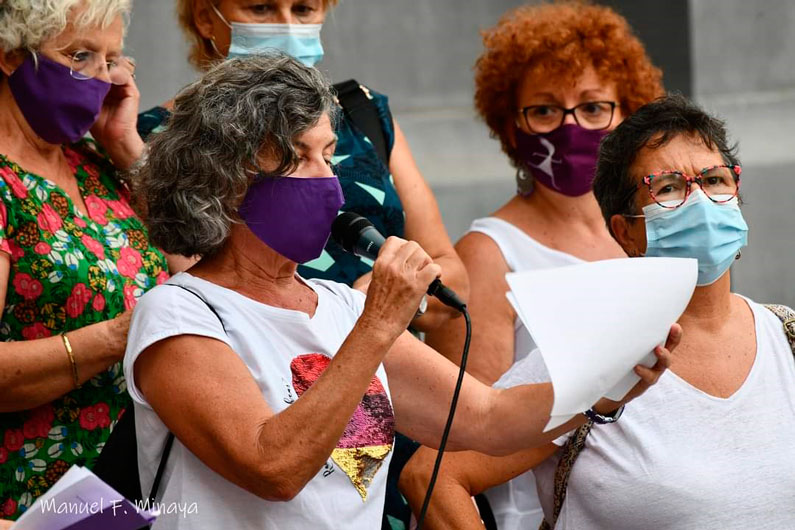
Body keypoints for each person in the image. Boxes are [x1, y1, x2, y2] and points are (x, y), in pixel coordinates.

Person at [124, 54, 676, 530]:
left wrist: (606, 387)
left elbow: (489, 418)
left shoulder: (339, 306)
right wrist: (379, 322)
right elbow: (274, 467)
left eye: (329, 152)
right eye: (301, 155)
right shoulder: (180, 313)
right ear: (227, 178)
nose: (329, 179)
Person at [401, 94, 795, 529]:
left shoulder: (787, 337)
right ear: (625, 232)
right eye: (668, 189)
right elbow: (433, 477)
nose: (700, 201)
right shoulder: (591, 355)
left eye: (715, 180)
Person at [421, 2, 664, 527]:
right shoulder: (488, 254)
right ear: (511, 127)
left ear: (629, 115)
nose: (571, 128)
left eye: (594, 107)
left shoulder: (652, 238)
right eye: (545, 110)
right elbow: (467, 432)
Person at [137, 0, 468, 332]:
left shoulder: (363, 113)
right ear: (206, 19)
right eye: (261, 8)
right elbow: (197, 284)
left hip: (393, 365)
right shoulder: (157, 137)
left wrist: (375, 300)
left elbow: (448, 273)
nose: (287, 25)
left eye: (303, 9)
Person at [0, 0, 172, 521]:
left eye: (111, 60)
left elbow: (201, 271)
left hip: (143, 480)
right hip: (36, 495)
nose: (100, 77)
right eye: (79, 56)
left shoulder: (94, 162)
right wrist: (125, 333)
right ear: (10, 54)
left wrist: (125, 146)